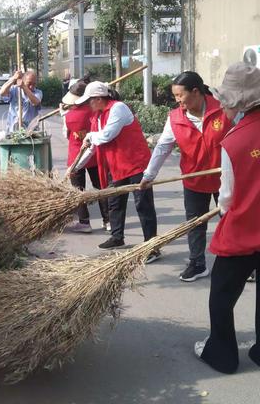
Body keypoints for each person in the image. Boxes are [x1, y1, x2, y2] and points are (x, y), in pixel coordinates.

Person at [194, 62, 260, 374]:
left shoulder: (234, 141)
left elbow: (227, 199)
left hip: (245, 232)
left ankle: (222, 355)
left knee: (221, 295)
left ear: (239, 102)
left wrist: (223, 208)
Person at [140, 71, 233, 281]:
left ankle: (242, 262)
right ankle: (197, 263)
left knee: (231, 220)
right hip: (194, 179)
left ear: (196, 92)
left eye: (180, 95)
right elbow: (163, 147)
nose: (177, 100)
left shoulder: (224, 109)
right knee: (195, 223)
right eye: (175, 96)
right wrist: (149, 175)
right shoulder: (175, 118)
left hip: (226, 177)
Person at [72, 81, 157, 252]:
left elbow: (106, 136)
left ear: (99, 98)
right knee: (115, 202)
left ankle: (152, 245)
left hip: (136, 164)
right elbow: (93, 147)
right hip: (117, 166)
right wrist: (75, 167)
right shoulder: (97, 117)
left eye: (90, 100)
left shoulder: (118, 108)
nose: (88, 105)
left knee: (143, 204)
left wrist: (89, 136)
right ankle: (117, 237)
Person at [63, 81, 110, 233]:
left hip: (77, 155)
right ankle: (108, 220)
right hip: (96, 154)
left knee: (79, 190)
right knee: (101, 187)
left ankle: (84, 222)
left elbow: (67, 134)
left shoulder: (70, 115)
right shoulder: (96, 111)